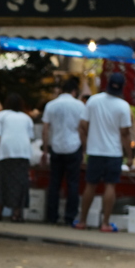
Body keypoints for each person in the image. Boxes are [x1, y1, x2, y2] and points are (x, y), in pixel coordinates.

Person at [74, 73, 133, 233]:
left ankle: (82, 221)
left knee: (90, 185)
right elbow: (125, 133)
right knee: (110, 186)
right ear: (121, 87)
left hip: (95, 151)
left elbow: (82, 124)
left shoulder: (93, 101)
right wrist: (129, 156)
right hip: (114, 152)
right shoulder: (123, 106)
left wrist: (88, 142)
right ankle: (105, 223)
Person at [42, 77, 86, 225]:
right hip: (74, 146)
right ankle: (70, 217)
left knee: (54, 183)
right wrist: (85, 148)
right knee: (73, 183)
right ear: (74, 91)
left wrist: (45, 149)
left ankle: (52, 216)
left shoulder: (51, 105)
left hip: (56, 146)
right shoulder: (79, 106)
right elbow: (82, 128)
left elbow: (45, 129)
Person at [0, 93, 35, 222]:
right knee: (20, 183)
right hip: (23, 151)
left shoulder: (1, 116)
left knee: (2, 182)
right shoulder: (26, 118)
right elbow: (30, 137)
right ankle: (16, 214)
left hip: (6, 151)